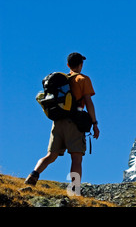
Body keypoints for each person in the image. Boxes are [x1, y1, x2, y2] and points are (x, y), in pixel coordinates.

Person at [24, 52, 99, 186]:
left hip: (57, 122)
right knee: (76, 158)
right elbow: (88, 102)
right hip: (74, 122)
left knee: (51, 155)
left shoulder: (61, 80)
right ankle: (75, 189)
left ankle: (33, 175)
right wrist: (94, 123)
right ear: (81, 64)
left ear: (68, 65)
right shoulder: (83, 79)